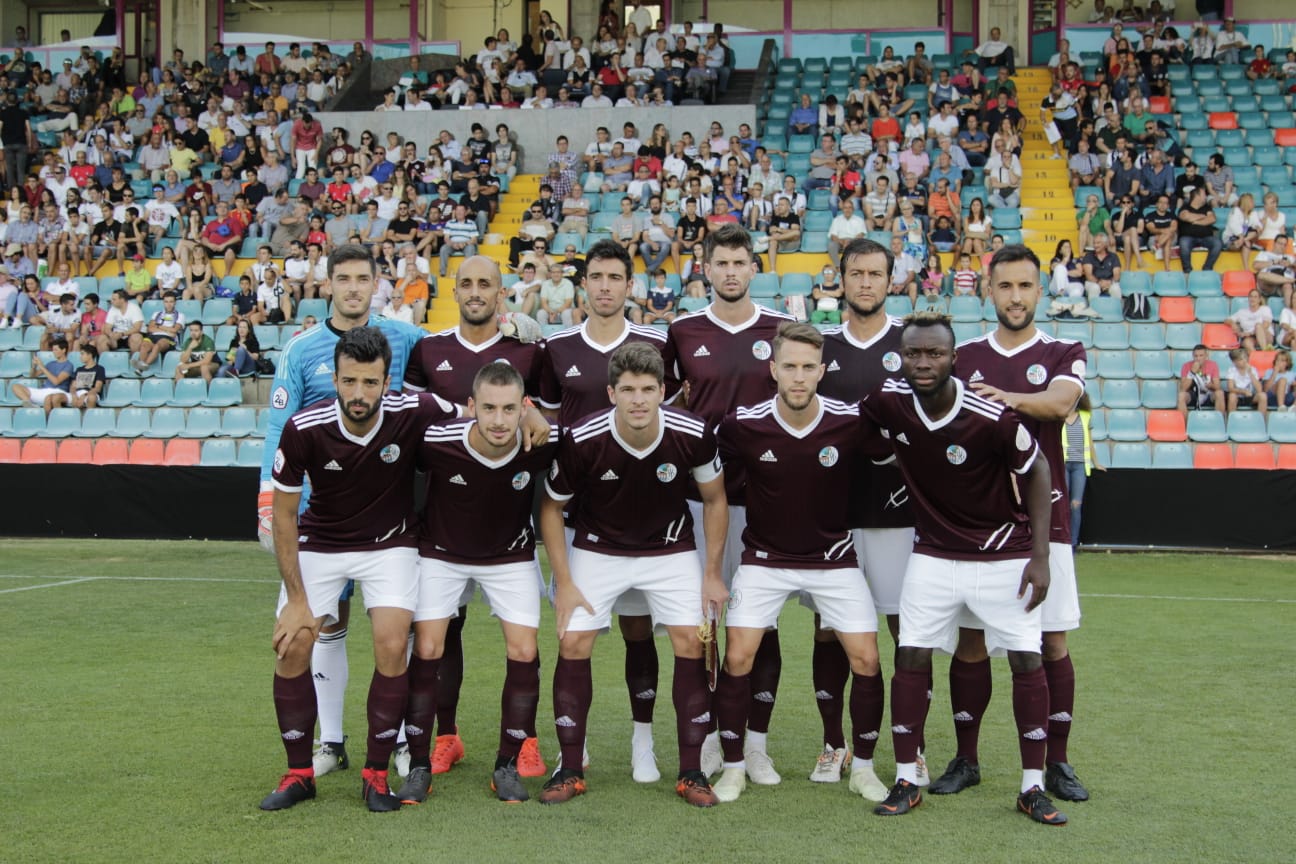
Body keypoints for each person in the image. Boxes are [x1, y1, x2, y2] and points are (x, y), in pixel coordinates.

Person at [860, 311, 1064, 826]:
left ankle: (1032, 787)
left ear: (954, 358)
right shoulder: (889, 403)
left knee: (1025, 661)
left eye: (934, 354)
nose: (923, 363)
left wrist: (1040, 557)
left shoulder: (990, 416)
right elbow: (859, 430)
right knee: (910, 653)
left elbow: (1038, 471)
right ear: (900, 358)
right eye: (914, 354)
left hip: (1003, 555)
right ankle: (907, 777)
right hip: (933, 555)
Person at [258, 326, 461, 813]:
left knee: (392, 643)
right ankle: (300, 774)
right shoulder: (305, 427)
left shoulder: (414, 410)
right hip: (322, 543)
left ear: (387, 381)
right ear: (336, 378)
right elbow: (284, 516)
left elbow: (474, 411)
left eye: (370, 383)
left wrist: (530, 414)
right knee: (292, 644)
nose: (358, 394)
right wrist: (299, 600)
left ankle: (374, 775)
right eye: (349, 382)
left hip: (390, 544)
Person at [538, 340, 727, 808]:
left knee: (692, 640)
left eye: (647, 389)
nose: (638, 399)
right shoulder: (582, 438)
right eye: (628, 390)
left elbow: (715, 499)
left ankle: (691, 771)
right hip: (598, 548)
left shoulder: (693, 432)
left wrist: (712, 574)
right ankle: (571, 769)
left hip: (670, 548)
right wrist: (564, 582)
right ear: (611, 393)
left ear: (663, 391)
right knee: (573, 641)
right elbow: (550, 507)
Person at [711, 322, 884, 804]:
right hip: (765, 559)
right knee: (739, 656)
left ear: (822, 370)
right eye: (790, 366)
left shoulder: (851, 421)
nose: (799, 376)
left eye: (809, 367)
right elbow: (708, 472)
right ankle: (734, 767)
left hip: (833, 560)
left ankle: (864, 768)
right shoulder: (744, 423)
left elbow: (900, 451)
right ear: (773, 369)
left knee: (867, 659)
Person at [940, 245, 1089, 806]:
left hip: (1043, 523)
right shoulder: (964, 355)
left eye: (1026, 286)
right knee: (971, 642)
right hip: (977, 529)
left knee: (1052, 642)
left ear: (1039, 291)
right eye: (1005, 287)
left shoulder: (1062, 350)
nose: (1016, 297)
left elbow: (1059, 403)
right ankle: (967, 758)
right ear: (989, 291)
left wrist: (1006, 401)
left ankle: (1058, 762)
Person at [401, 255, 546, 777]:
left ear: (502, 292)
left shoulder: (528, 352)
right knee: (444, 632)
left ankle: (524, 740)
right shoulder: (429, 349)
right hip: (444, 512)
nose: (476, 292)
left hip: (509, 511)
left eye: (486, 283)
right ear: (455, 292)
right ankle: (447, 737)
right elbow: (412, 415)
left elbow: (549, 417)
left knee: (523, 639)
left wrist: (532, 412)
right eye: (467, 284)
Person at [536, 239, 675, 782]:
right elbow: (547, 426)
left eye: (615, 277)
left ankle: (644, 742)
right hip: (578, 517)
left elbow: (673, 413)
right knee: (576, 635)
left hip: (645, 517)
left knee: (640, 631)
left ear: (629, 285)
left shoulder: (657, 343)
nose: (605, 286)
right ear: (584, 283)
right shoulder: (557, 347)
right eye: (595, 277)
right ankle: (579, 746)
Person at [663, 224, 794, 782]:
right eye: (722, 263)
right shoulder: (683, 330)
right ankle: (714, 736)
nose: (732, 271)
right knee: (705, 624)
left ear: (753, 268)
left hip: (768, 498)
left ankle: (756, 743)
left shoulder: (781, 330)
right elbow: (661, 398)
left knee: (761, 627)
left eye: (742, 262)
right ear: (707, 269)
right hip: (700, 498)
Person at [813, 237, 922, 792]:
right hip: (833, 514)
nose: (865, 283)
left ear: (890, 279)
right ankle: (833, 744)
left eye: (875, 274)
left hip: (897, 514)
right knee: (830, 629)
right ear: (842, 277)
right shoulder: (820, 344)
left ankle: (913, 746)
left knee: (907, 630)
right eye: (856, 273)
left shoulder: (913, 343)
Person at [1061, 394, 1104, 548]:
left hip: (1080, 465)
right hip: (1062, 465)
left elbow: (1090, 442)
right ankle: (1062, 539)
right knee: (1062, 504)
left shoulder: (1085, 417)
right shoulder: (1059, 416)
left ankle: (1073, 541)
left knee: (1075, 505)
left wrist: (1096, 462)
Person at [14, 337, 73, 414]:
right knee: (16, 386)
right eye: (53, 350)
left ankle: (47, 422)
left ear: (63, 350)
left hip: (58, 392)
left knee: (48, 399)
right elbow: (32, 376)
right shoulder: (50, 363)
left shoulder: (68, 365)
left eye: (56, 350)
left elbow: (56, 381)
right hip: (43, 391)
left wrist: (41, 366)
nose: (53, 352)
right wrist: (34, 366)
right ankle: (29, 404)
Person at [133, 291, 185, 372]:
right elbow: (149, 328)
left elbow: (175, 330)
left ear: (175, 303)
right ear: (163, 302)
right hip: (154, 336)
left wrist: (158, 326)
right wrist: (167, 329)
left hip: (168, 339)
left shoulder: (180, 315)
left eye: (171, 301)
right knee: (144, 345)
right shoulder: (157, 314)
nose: (169, 304)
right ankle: (141, 365)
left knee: (157, 346)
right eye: (166, 302)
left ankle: (142, 368)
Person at [1176, 186, 1223, 273]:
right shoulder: (1185, 207)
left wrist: (1196, 221)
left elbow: (1212, 219)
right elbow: (1186, 216)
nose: (1206, 197)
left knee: (1217, 243)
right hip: (1188, 237)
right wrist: (1202, 216)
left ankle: (1207, 268)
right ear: (1197, 196)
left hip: (1206, 237)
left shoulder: (1207, 208)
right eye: (1204, 194)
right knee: (1183, 243)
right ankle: (1187, 270)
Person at [1177, 343, 1225, 419]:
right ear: (1193, 356)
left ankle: (1219, 424)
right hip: (1193, 394)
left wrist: (1210, 385)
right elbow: (1183, 388)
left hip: (1208, 394)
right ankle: (1185, 426)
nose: (1198, 358)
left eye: (1201, 355)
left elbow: (1217, 387)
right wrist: (1192, 372)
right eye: (1196, 356)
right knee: (1181, 396)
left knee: (1220, 393)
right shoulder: (1186, 366)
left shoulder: (1213, 365)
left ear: (1206, 356)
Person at [1224, 347, 1266, 417]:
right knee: (1232, 396)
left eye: (1245, 358)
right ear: (1234, 362)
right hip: (1237, 396)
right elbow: (1230, 388)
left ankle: (1260, 421)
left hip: (1250, 396)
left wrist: (1250, 373)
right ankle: (1231, 421)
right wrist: (1243, 391)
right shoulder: (1232, 370)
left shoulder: (1252, 369)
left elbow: (1259, 389)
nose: (1244, 361)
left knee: (1263, 396)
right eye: (1241, 359)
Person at [1081, 232, 1122, 304]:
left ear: (1105, 244)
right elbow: (1088, 275)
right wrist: (1099, 282)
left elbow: (1117, 275)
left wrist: (1109, 282)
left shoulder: (1113, 256)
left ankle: (1115, 311)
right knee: (1094, 288)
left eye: (1098, 243)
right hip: (1093, 282)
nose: (1095, 245)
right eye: (1094, 243)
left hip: (1110, 282)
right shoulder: (1088, 256)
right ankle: (1093, 312)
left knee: (1116, 289)